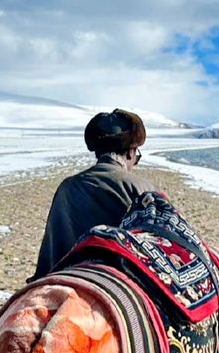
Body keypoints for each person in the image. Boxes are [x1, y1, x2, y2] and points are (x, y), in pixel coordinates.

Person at [32, 108, 155, 279]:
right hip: (119, 278)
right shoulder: (143, 188)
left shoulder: (67, 188)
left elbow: (52, 249)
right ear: (130, 152)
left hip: (67, 275)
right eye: (136, 156)